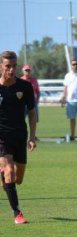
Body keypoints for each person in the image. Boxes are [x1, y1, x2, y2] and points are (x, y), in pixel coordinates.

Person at [0, 51, 37, 224]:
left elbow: (31, 112)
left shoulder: (25, 86)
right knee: (10, 172)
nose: (11, 69)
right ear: (1, 66)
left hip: (20, 135)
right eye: (8, 66)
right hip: (2, 137)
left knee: (18, 179)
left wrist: (32, 137)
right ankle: (17, 213)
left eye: (14, 66)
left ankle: (4, 175)